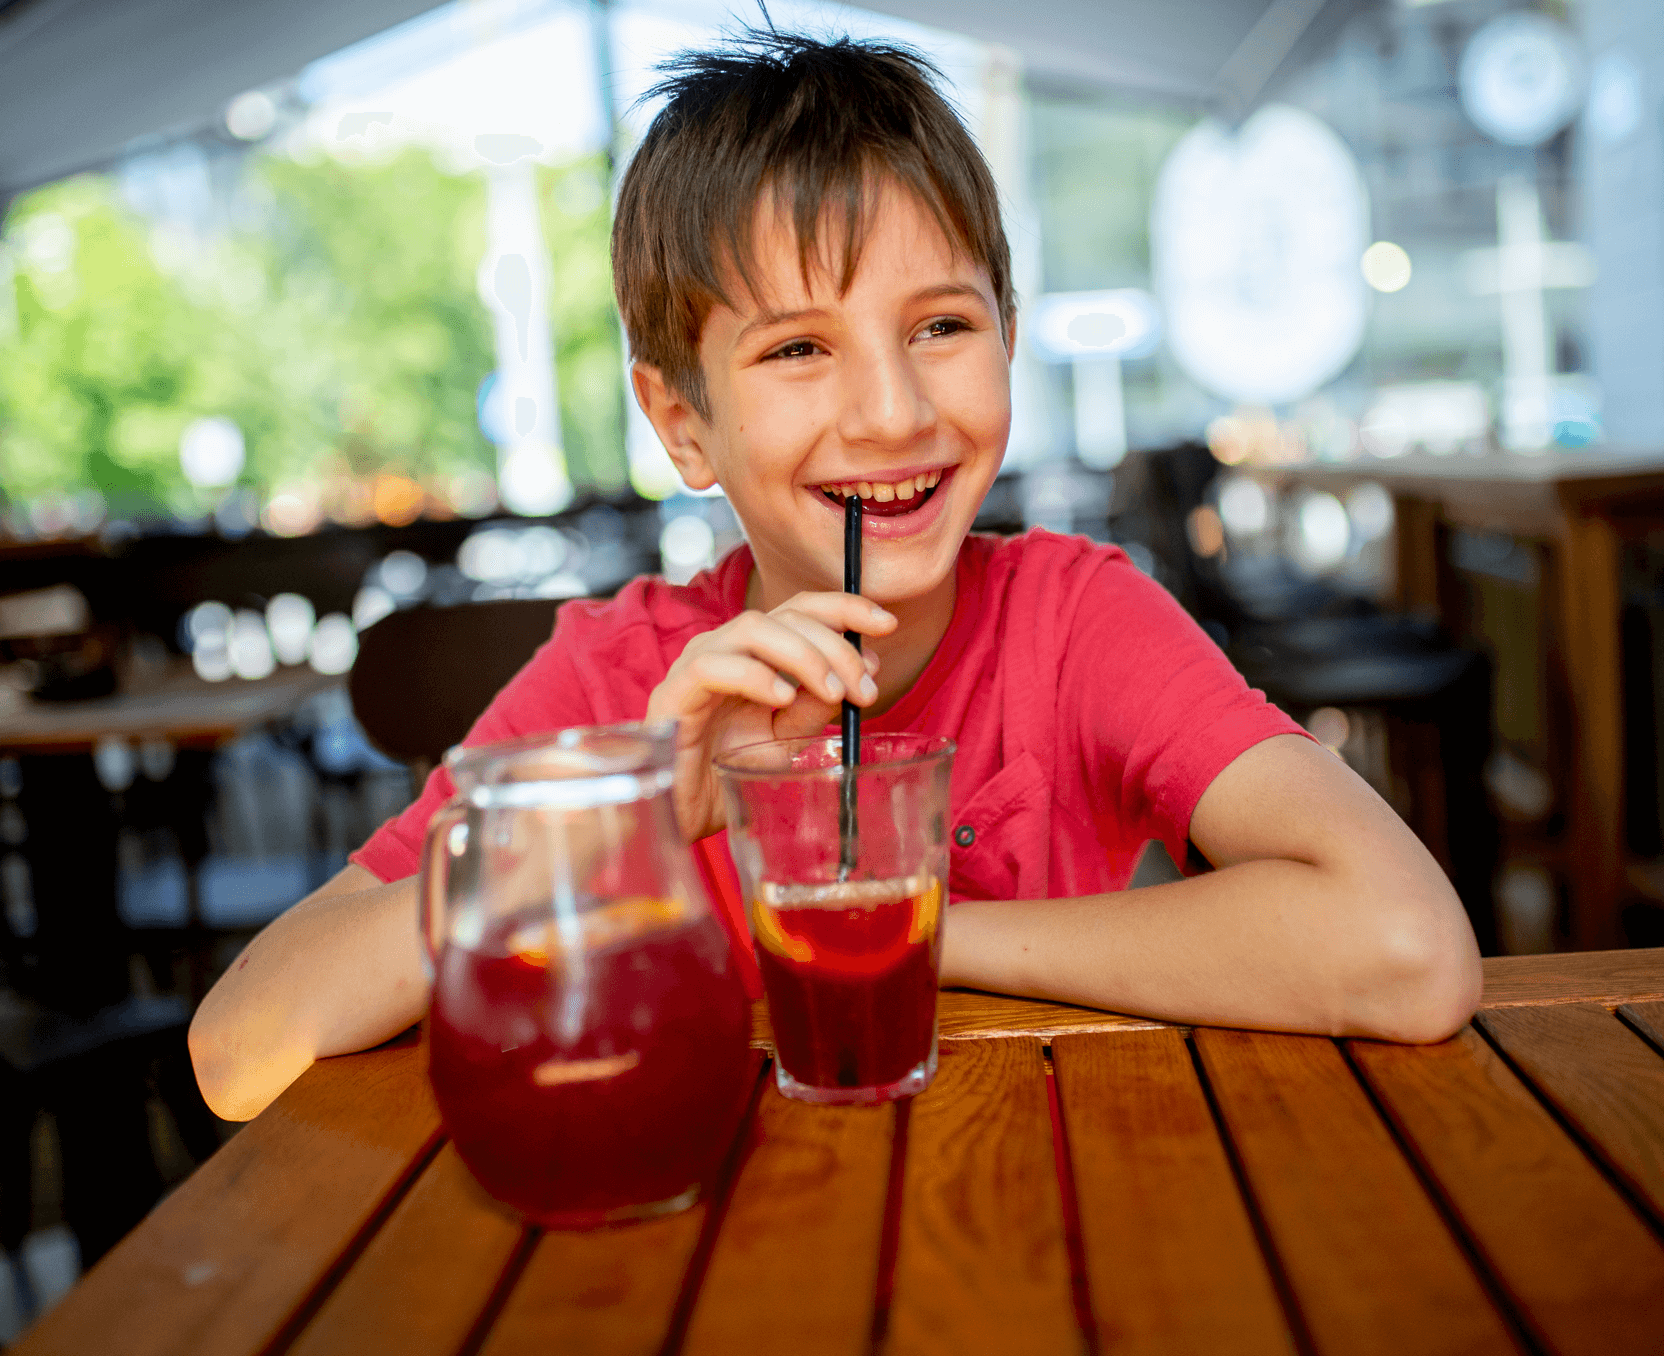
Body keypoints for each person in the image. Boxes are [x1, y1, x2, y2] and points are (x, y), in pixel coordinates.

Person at [189, 31, 1481, 1122]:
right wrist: (625, 820)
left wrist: (901, 930)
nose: (890, 409)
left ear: (1009, 337)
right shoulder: (618, 680)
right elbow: (243, 1052)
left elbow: (1408, 954)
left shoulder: (1077, 618)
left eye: (941, 326)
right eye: (800, 347)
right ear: (682, 422)